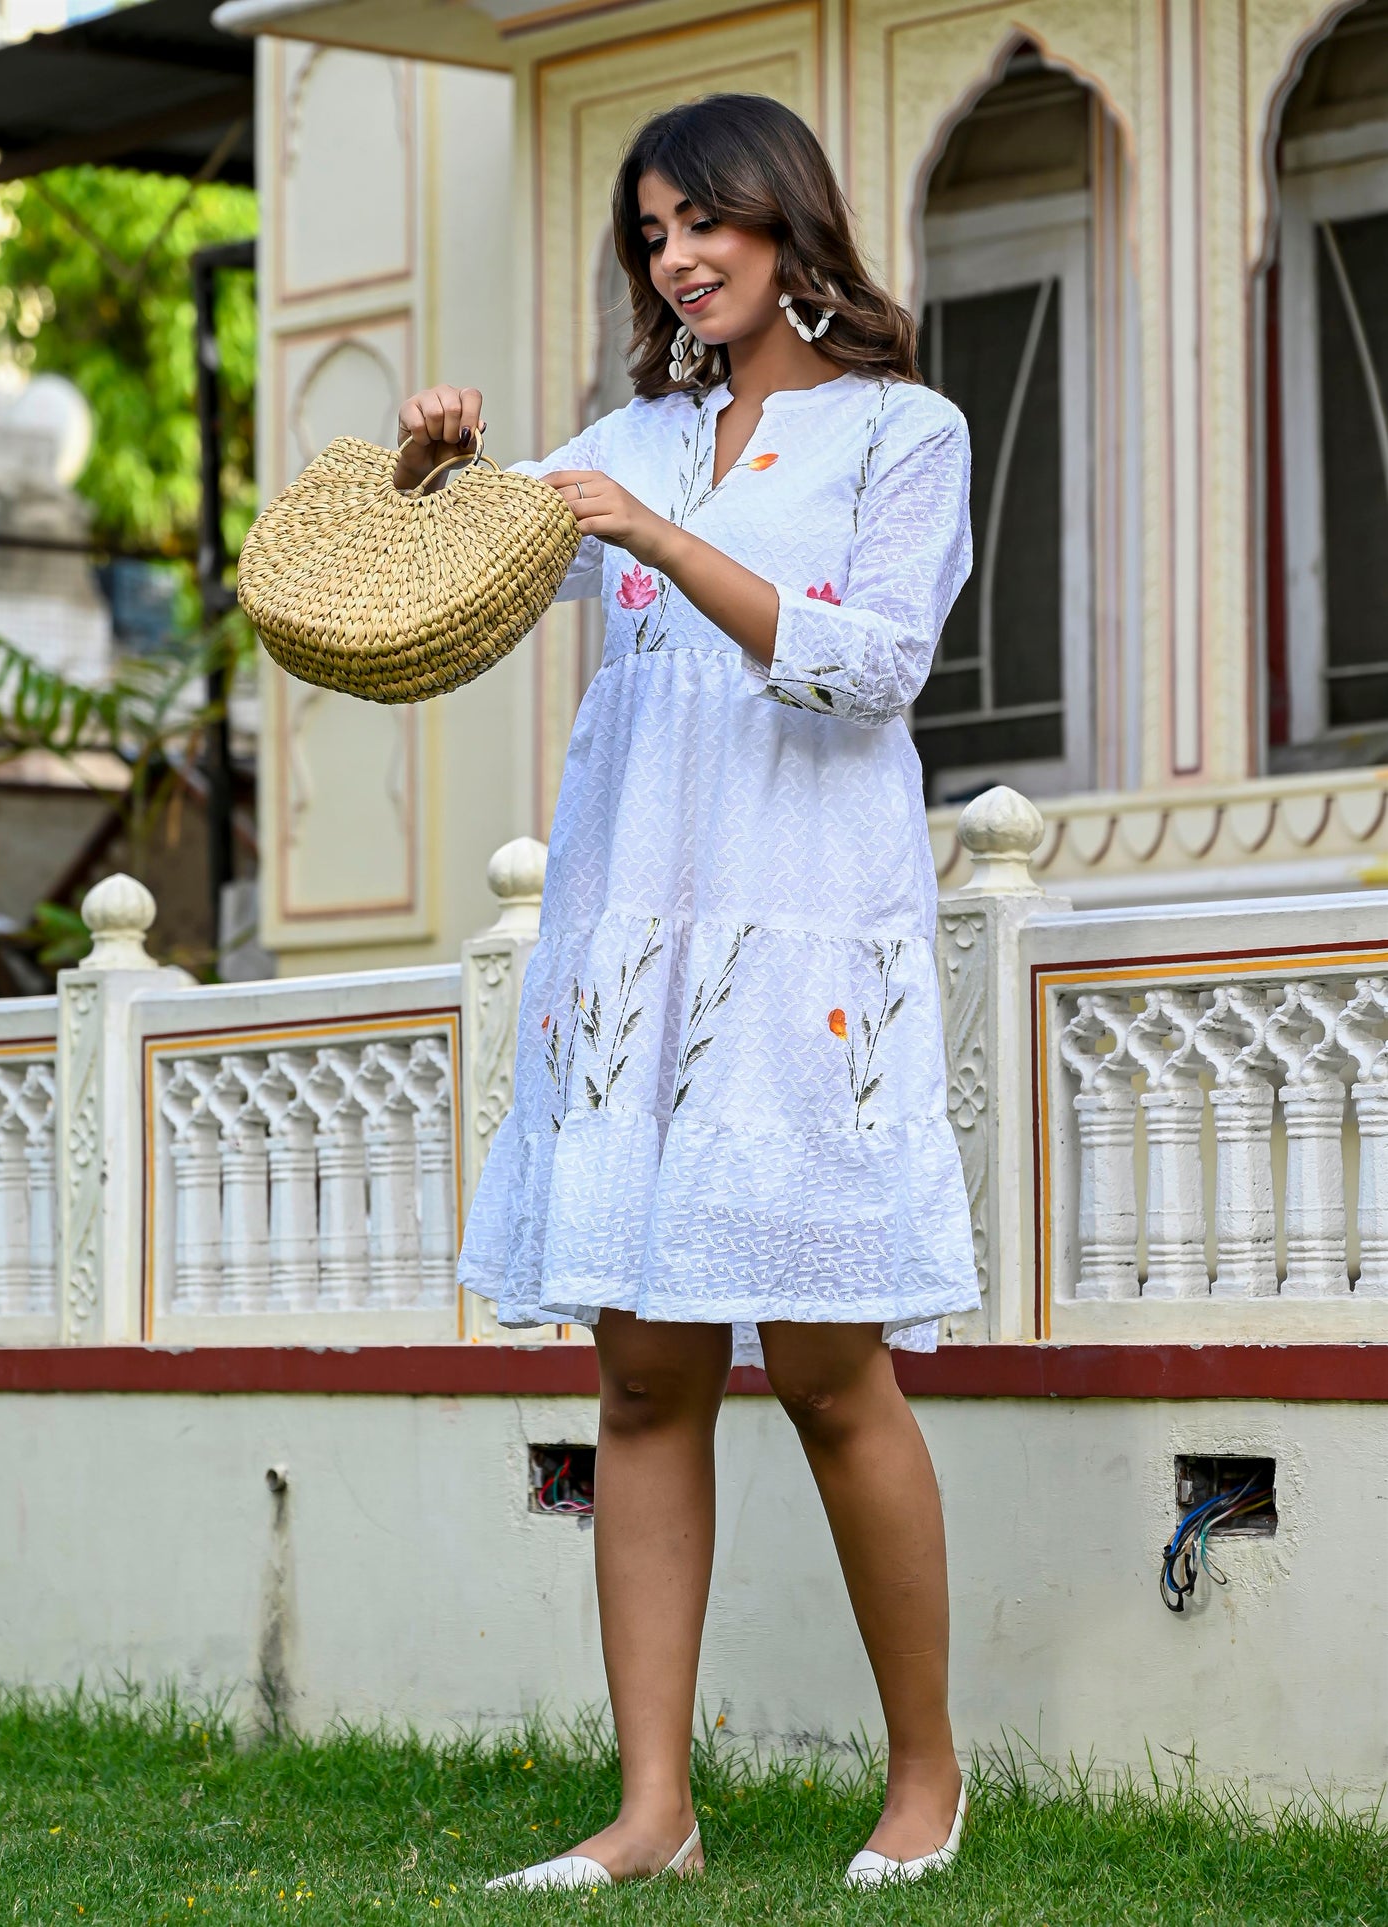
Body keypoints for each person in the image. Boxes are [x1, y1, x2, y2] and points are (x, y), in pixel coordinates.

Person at [394, 92, 980, 1893]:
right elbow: (445, 575)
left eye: (705, 220)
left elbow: (872, 671)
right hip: (628, 948)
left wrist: (657, 542)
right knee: (641, 1376)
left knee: (827, 1367)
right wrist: (427, 469)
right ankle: (653, 1813)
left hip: (803, 941)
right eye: (652, 234)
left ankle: (927, 1781)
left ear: (789, 224)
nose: (677, 257)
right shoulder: (634, 432)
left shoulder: (904, 430)